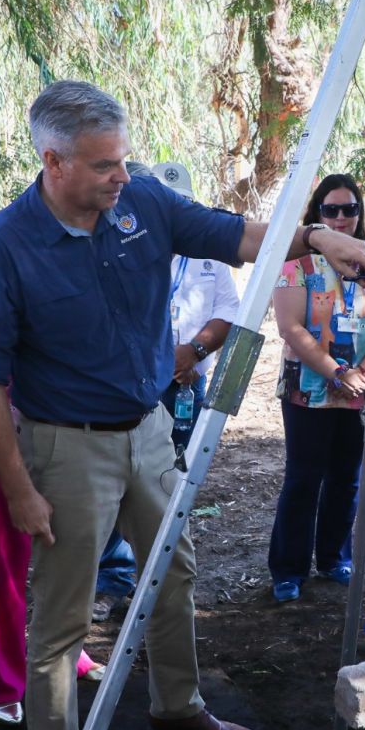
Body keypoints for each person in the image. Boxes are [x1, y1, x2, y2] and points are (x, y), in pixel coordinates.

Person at [0, 80, 365, 730]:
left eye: (124, 159)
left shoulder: (143, 202)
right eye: (104, 165)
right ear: (53, 162)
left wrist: (315, 237)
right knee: (63, 614)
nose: (122, 175)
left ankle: (176, 708)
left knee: (172, 573)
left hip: (150, 430)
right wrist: (19, 489)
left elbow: (236, 235)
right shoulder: (1, 248)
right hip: (66, 445)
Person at [90, 160, 241, 624]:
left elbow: (229, 311)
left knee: (170, 482)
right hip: (134, 389)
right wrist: (160, 360)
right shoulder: (124, 247)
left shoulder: (209, 255)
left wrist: (193, 353)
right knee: (118, 484)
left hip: (188, 387)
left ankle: (160, 578)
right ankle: (113, 579)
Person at [267, 173, 365, 604]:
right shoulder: (295, 262)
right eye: (331, 210)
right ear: (317, 213)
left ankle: (333, 557)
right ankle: (288, 569)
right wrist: (336, 372)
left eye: (350, 209)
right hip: (309, 389)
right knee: (303, 479)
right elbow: (290, 327)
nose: (341, 217)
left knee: (346, 478)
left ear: (360, 212)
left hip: (363, 387)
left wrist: (364, 370)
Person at [0, 401, 107, 727]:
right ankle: (2, 681)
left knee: (70, 542)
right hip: (0, 407)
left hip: (70, 412)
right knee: (1, 552)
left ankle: (67, 652)